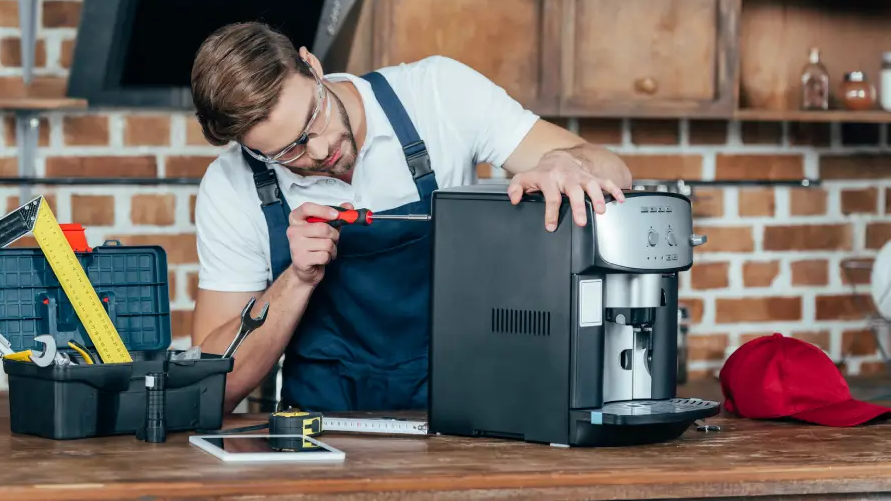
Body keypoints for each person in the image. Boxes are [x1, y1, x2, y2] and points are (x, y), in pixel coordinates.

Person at [188, 21, 632, 414]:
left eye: (314, 118)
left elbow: (612, 168)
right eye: (289, 151)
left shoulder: (437, 94)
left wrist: (565, 163)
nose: (320, 151)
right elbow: (212, 388)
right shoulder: (232, 186)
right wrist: (295, 281)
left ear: (313, 66)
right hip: (323, 433)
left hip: (463, 415)